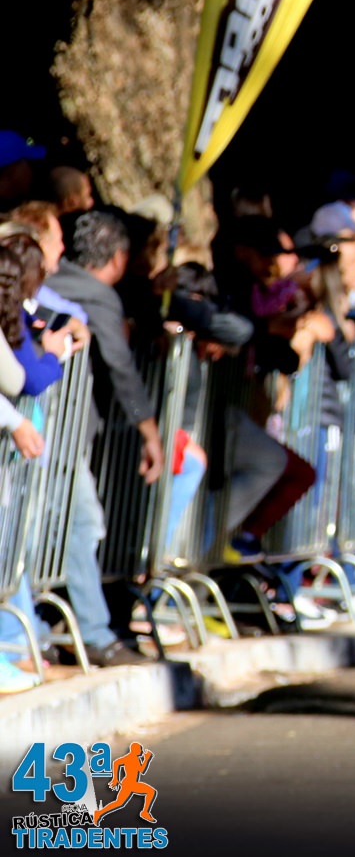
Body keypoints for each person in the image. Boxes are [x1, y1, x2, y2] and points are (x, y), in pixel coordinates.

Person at [42, 209, 161, 665]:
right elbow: (121, 367)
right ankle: (90, 634)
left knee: (52, 526)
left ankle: (46, 627)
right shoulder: (96, 295)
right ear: (119, 258)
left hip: (45, 429)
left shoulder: (56, 283)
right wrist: (150, 432)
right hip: (56, 432)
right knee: (82, 522)